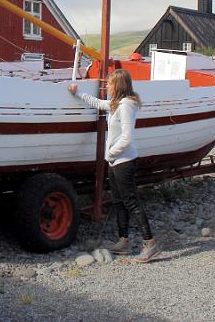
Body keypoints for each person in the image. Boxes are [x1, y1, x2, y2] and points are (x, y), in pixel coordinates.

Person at [68, 69, 160, 263]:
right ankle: (123, 241)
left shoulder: (126, 106)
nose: (107, 87)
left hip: (124, 162)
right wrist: (78, 93)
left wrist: (110, 154)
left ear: (118, 85)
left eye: (109, 84)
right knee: (119, 202)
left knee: (131, 202)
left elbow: (127, 137)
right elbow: (98, 103)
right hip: (116, 161)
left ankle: (150, 244)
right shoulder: (115, 104)